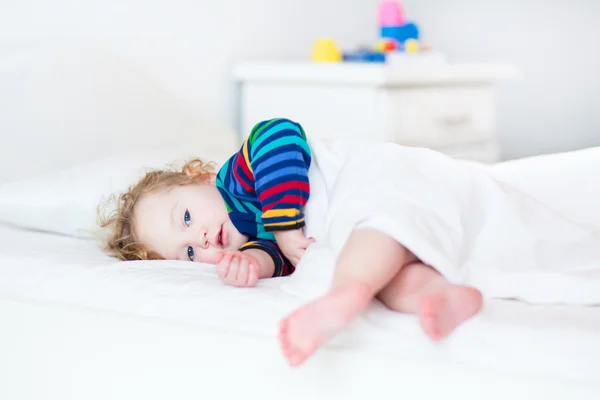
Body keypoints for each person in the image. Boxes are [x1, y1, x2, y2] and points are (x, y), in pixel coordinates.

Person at [99, 118, 482, 367]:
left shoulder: (239, 177)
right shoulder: (255, 240)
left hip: (377, 182)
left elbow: (279, 134)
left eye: (186, 217)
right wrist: (251, 265)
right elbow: (275, 260)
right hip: (365, 225)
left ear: (200, 176)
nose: (199, 239)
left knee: (373, 238)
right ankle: (438, 295)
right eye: (188, 253)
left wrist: (283, 224)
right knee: (382, 266)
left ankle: (347, 294)